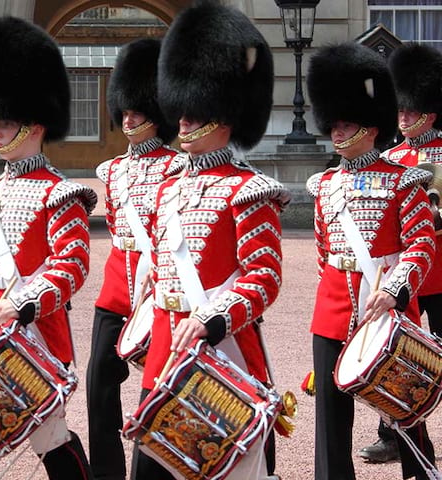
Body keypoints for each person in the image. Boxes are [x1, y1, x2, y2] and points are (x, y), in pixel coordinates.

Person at [131, 1, 289, 479]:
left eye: (193, 111)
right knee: (153, 465)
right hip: (166, 345)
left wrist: (214, 318)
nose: (180, 121)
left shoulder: (249, 190)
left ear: (222, 115)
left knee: (230, 465)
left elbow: (264, 278)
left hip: (224, 347)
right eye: (180, 109)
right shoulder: (165, 186)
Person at [0, 16, 96, 480]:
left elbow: (71, 266)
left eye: (6, 122)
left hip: (36, 335)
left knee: (50, 440)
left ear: (33, 125)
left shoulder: (60, 193)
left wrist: (21, 303)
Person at [306, 41, 437, 480]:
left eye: (346, 125)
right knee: (330, 413)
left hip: (385, 298)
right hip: (333, 307)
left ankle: (419, 473)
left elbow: (421, 244)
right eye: (335, 126)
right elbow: (324, 252)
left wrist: (394, 288)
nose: (337, 133)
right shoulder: (323, 185)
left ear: (370, 127)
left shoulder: (404, 181)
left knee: (403, 402)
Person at [86, 38, 182, 480]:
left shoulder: (178, 168)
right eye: (124, 109)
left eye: (138, 110)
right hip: (116, 286)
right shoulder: (111, 170)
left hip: (158, 286)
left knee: (157, 386)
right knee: (99, 384)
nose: (128, 118)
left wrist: (160, 278)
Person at [358, 42, 442, 466]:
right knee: (396, 359)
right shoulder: (390, 160)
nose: (404, 118)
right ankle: (394, 435)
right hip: (405, 281)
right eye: (401, 111)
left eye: (411, 111)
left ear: (430, 111)